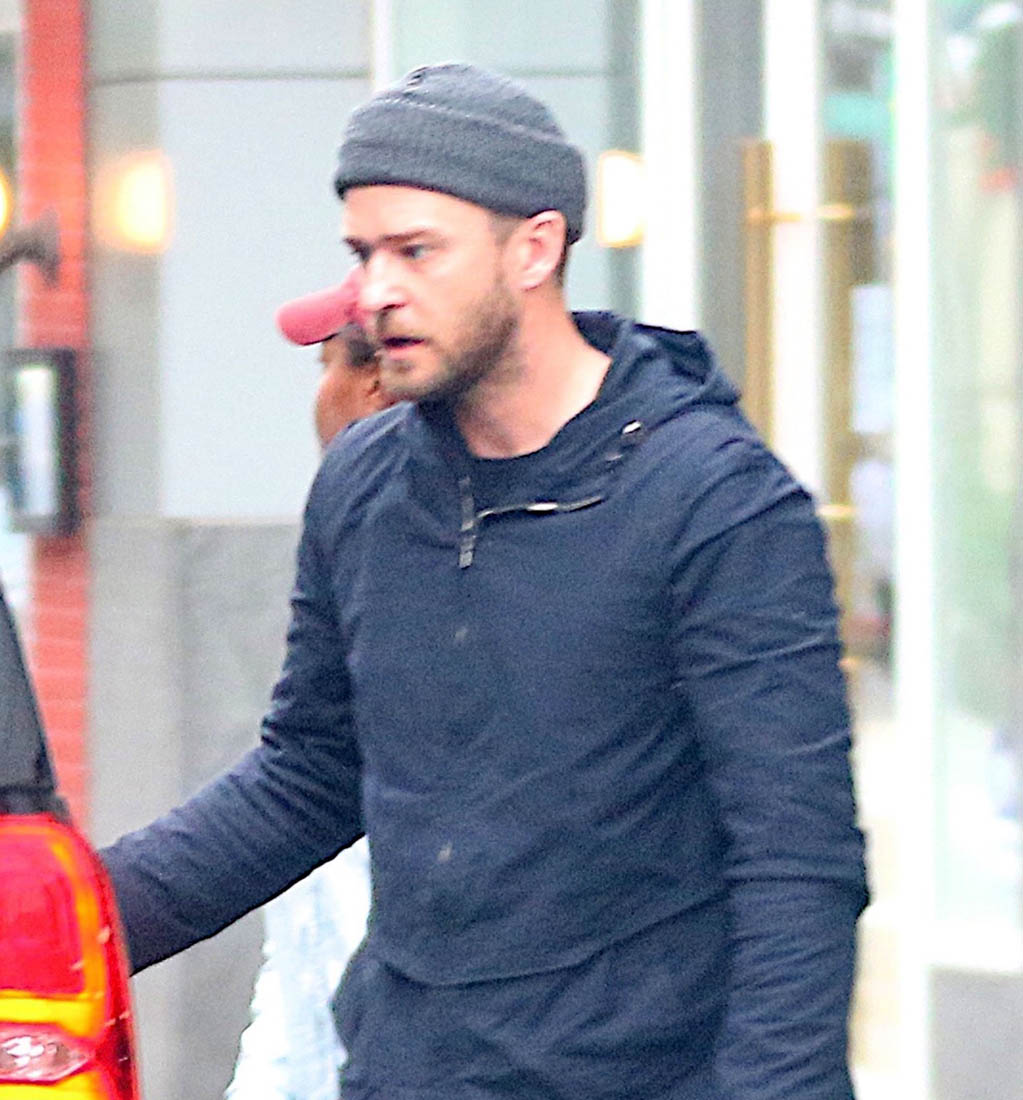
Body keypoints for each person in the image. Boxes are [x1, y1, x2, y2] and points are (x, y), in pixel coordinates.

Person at [102, 63, 868, 1100]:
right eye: (363, 254)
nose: (378, 292)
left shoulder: (715, 501)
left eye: (416, 250)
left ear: (534, 248)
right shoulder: (364, 486)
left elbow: (797, 860)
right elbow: (308, 776)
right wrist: (65, 923)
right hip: (412, 1070)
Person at [226, 269, 386, 1100]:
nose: (318, 397)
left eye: (326, 365)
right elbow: (298, 969)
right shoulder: (354, 564)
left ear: (373, 382)